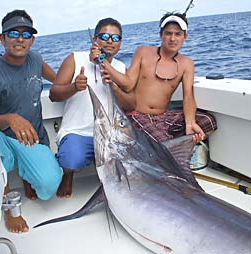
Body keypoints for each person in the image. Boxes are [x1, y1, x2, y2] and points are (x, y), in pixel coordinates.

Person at [0, 9, 63, 233]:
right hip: (4, 138)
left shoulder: (36, 60)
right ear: (2, 38)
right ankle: (8, 206)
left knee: (48, 187)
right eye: (13, 33)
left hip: (32, 139)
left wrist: (85, 73)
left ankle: (27, 173)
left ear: (32, 39)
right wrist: (11, 118)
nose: (20, 39)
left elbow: (60, 81)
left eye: (26, 34)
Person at [50, 18, 135, 198]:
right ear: (95, 39)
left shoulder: (119, 67)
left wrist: (114, 85)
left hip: (109, 135)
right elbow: (54, 94)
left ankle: (103, 170)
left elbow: (131, 104)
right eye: (104, 36)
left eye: (115, 37)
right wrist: (74, 87)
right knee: (72, 159)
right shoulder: (75, 59)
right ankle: (68, 174)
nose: (110, 41)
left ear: (120, 42)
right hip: (78, 132)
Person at [100, 12, 217, 144]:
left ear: (185, 37)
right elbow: (128, 84)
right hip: (137, 116)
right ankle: (172, 146)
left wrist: (190, 123)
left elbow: (188, 97)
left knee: (208, 122)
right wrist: (103, 63)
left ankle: (177, 145)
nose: (172, 39)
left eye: (178, 34)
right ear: (161, 34)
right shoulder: (143, 51)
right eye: (168, 33)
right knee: (164, 143)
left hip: (164, 117)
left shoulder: (187, 63)